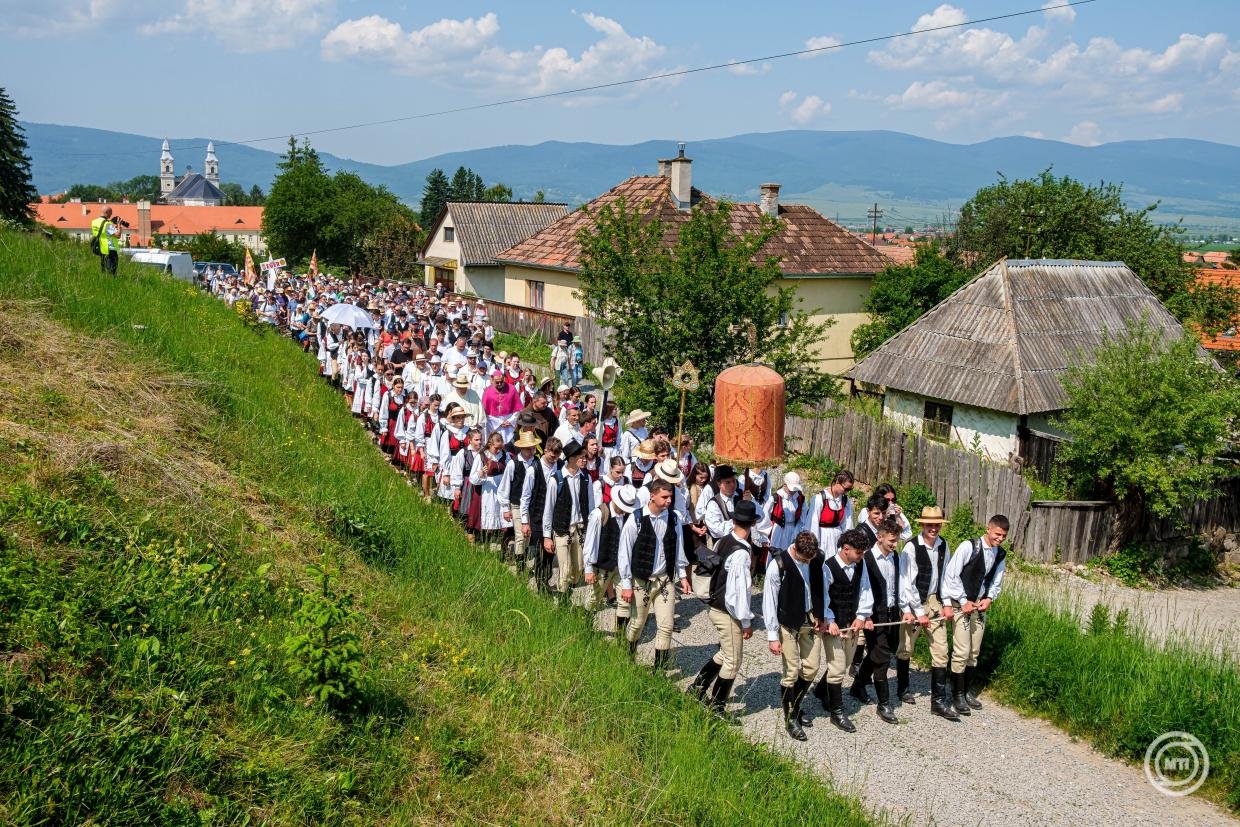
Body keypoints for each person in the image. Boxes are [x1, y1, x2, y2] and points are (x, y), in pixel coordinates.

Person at [687, 500, 755, 720]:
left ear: (734, 520)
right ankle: (716, 707)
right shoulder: (742, 554)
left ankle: (697, 689)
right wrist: (745, 621)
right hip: (727, 612)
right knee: (733, 660)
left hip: (716, 605)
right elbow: (740, 592)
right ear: (753, 523)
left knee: (725, 652)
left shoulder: (723, 541)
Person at [942, 514, 1010, 717]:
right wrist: (962, 601)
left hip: (979, 606)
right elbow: (951, 575)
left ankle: (965, 691)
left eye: (1004, 536)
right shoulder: (969, 546)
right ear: (988, 529)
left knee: (974, 651)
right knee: (962, 650)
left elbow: (996, 580)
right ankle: (956, 695)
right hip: (961, 604)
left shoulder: (1000, 555)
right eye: (998, 534)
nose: (1000, 539)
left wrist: (989, 598)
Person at [618, 478, 690, 670]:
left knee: (666, 627)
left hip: (665, 580)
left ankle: (659, 671)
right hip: (642, 581)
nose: (668, 501)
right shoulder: (636, 519)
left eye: (670, 497)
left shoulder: (673, 518)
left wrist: (682, 575)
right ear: (652, 495)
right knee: (636, 624)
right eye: (664, 497)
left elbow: (678, 547)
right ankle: (627, 657)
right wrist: (626, 583)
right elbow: (624, 552)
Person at [764, 531, 829, 740]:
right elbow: (770, 601)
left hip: (810, 620)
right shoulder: (778, 565)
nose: (808, 562)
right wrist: (772, 635)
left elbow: (822, 588)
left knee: (811, 667)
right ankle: (791, 717)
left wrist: (823, 615)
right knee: (791, 671)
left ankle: (797, 703)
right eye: (804, 559)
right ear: (796, 549)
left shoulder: (817, 558)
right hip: (788, 623)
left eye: (810, 559)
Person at [897, 505, 958, 721]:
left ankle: (938, 702)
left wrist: (948, 603)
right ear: (922, 525)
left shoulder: (944, 545)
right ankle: (903, 688)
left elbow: (946, 578)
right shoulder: (911, 548)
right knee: (906, 648)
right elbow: (906, 583)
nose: (934, 528)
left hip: (935, 600)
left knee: (941, 650)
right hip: (915, 602)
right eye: (930, 525)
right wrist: (914, 610)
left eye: (937, 525)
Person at [808, 527, 871, 734]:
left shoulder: (860, 565)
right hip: (833, 625)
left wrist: (861, 616)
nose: (861, 557)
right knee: (837, 668)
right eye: (858, 553)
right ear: (845, 549)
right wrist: (830, 620)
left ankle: (820, 690)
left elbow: (864, 591)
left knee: (845, 664)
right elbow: (822, 597)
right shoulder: (828, 568)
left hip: (851, 623)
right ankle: (837, 711)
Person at [849, 517, 904, 725]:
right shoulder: (866, 560)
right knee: (882, 658)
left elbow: (895, 586)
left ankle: (858, 685)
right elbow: (861, 590)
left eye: (896, 540)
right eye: (891, 541)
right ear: (879, 537)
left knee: (879, 652)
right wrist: (866, 615)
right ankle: (885, 704)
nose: (894, 545)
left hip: (891, 614)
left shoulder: (895, 557)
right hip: (873, 616)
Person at [584, 483, 638, 636]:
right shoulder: (599, 514)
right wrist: (588, 568)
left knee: (625, 602)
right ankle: (586, 628)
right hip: (603, 564)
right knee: (594, 599)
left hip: (621, 566)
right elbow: (590, 542)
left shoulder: (629, 516)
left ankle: (620, 636)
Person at [543, 439, 593, 606]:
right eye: (582, 457)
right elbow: (548, 510)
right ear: (571, 458)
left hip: (579, 529)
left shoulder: (586, 478)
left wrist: (590, 529)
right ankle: (563, 603)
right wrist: (547, 536)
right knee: (564, 569)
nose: (585, 460)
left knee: (578, 569)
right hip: (562, 529)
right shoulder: (556, 480)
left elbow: (591, 507)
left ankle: (568, 593)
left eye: (585, 457)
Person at [523, 437, 563, 593]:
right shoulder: (534, 469)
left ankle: (544, 578)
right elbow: (525, 497)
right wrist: (525, 522)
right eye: (552, 453)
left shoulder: (560, 467)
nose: (554, 457)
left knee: (550, 551)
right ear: (545, 450)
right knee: (542, 550)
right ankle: (541, 584)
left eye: (557, 454)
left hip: (554, 515)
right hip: (538, 515)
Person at [500, 430, 539, 571]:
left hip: (531, 505)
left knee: (528, 536)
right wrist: (505, 508)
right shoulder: (513, 464)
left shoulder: (536, 463)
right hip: (516, 503)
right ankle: (520, 567)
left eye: (533, 447)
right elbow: (505, 486)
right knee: (520, 535)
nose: (532, 451)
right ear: (522, 448)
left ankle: (521, 558)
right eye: (529, 448)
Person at [807, 471, 854, 557]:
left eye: (849, 489)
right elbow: (813, 522)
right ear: (837, 482)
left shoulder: (845, 500)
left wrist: (847, 542)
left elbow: (847, 524)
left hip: (837, 538)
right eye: (846, 489)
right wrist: (814, 545)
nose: (847, 492)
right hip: (822, 537)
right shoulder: (819, 498)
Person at [765, 471, 808, 554]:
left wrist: (798, 532)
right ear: (785, 485)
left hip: (794, 531)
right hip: (778, 532)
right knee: (776, 555)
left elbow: (803, 518)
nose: (794, 492)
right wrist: (765, 535)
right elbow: (765, 517)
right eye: (792, 489)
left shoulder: (800, 499)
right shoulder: (775, 498)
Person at [90, 207, 121, 274]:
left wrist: (112, 226)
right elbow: (118, 235)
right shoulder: (107, 224)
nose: (111, 215)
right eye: (110, 213)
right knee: (112, 272)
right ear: (107, 212)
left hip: (101, 249)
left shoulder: (94, 222)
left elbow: (103, 233)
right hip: (110, 250)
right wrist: (119, 225)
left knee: (104, 270)